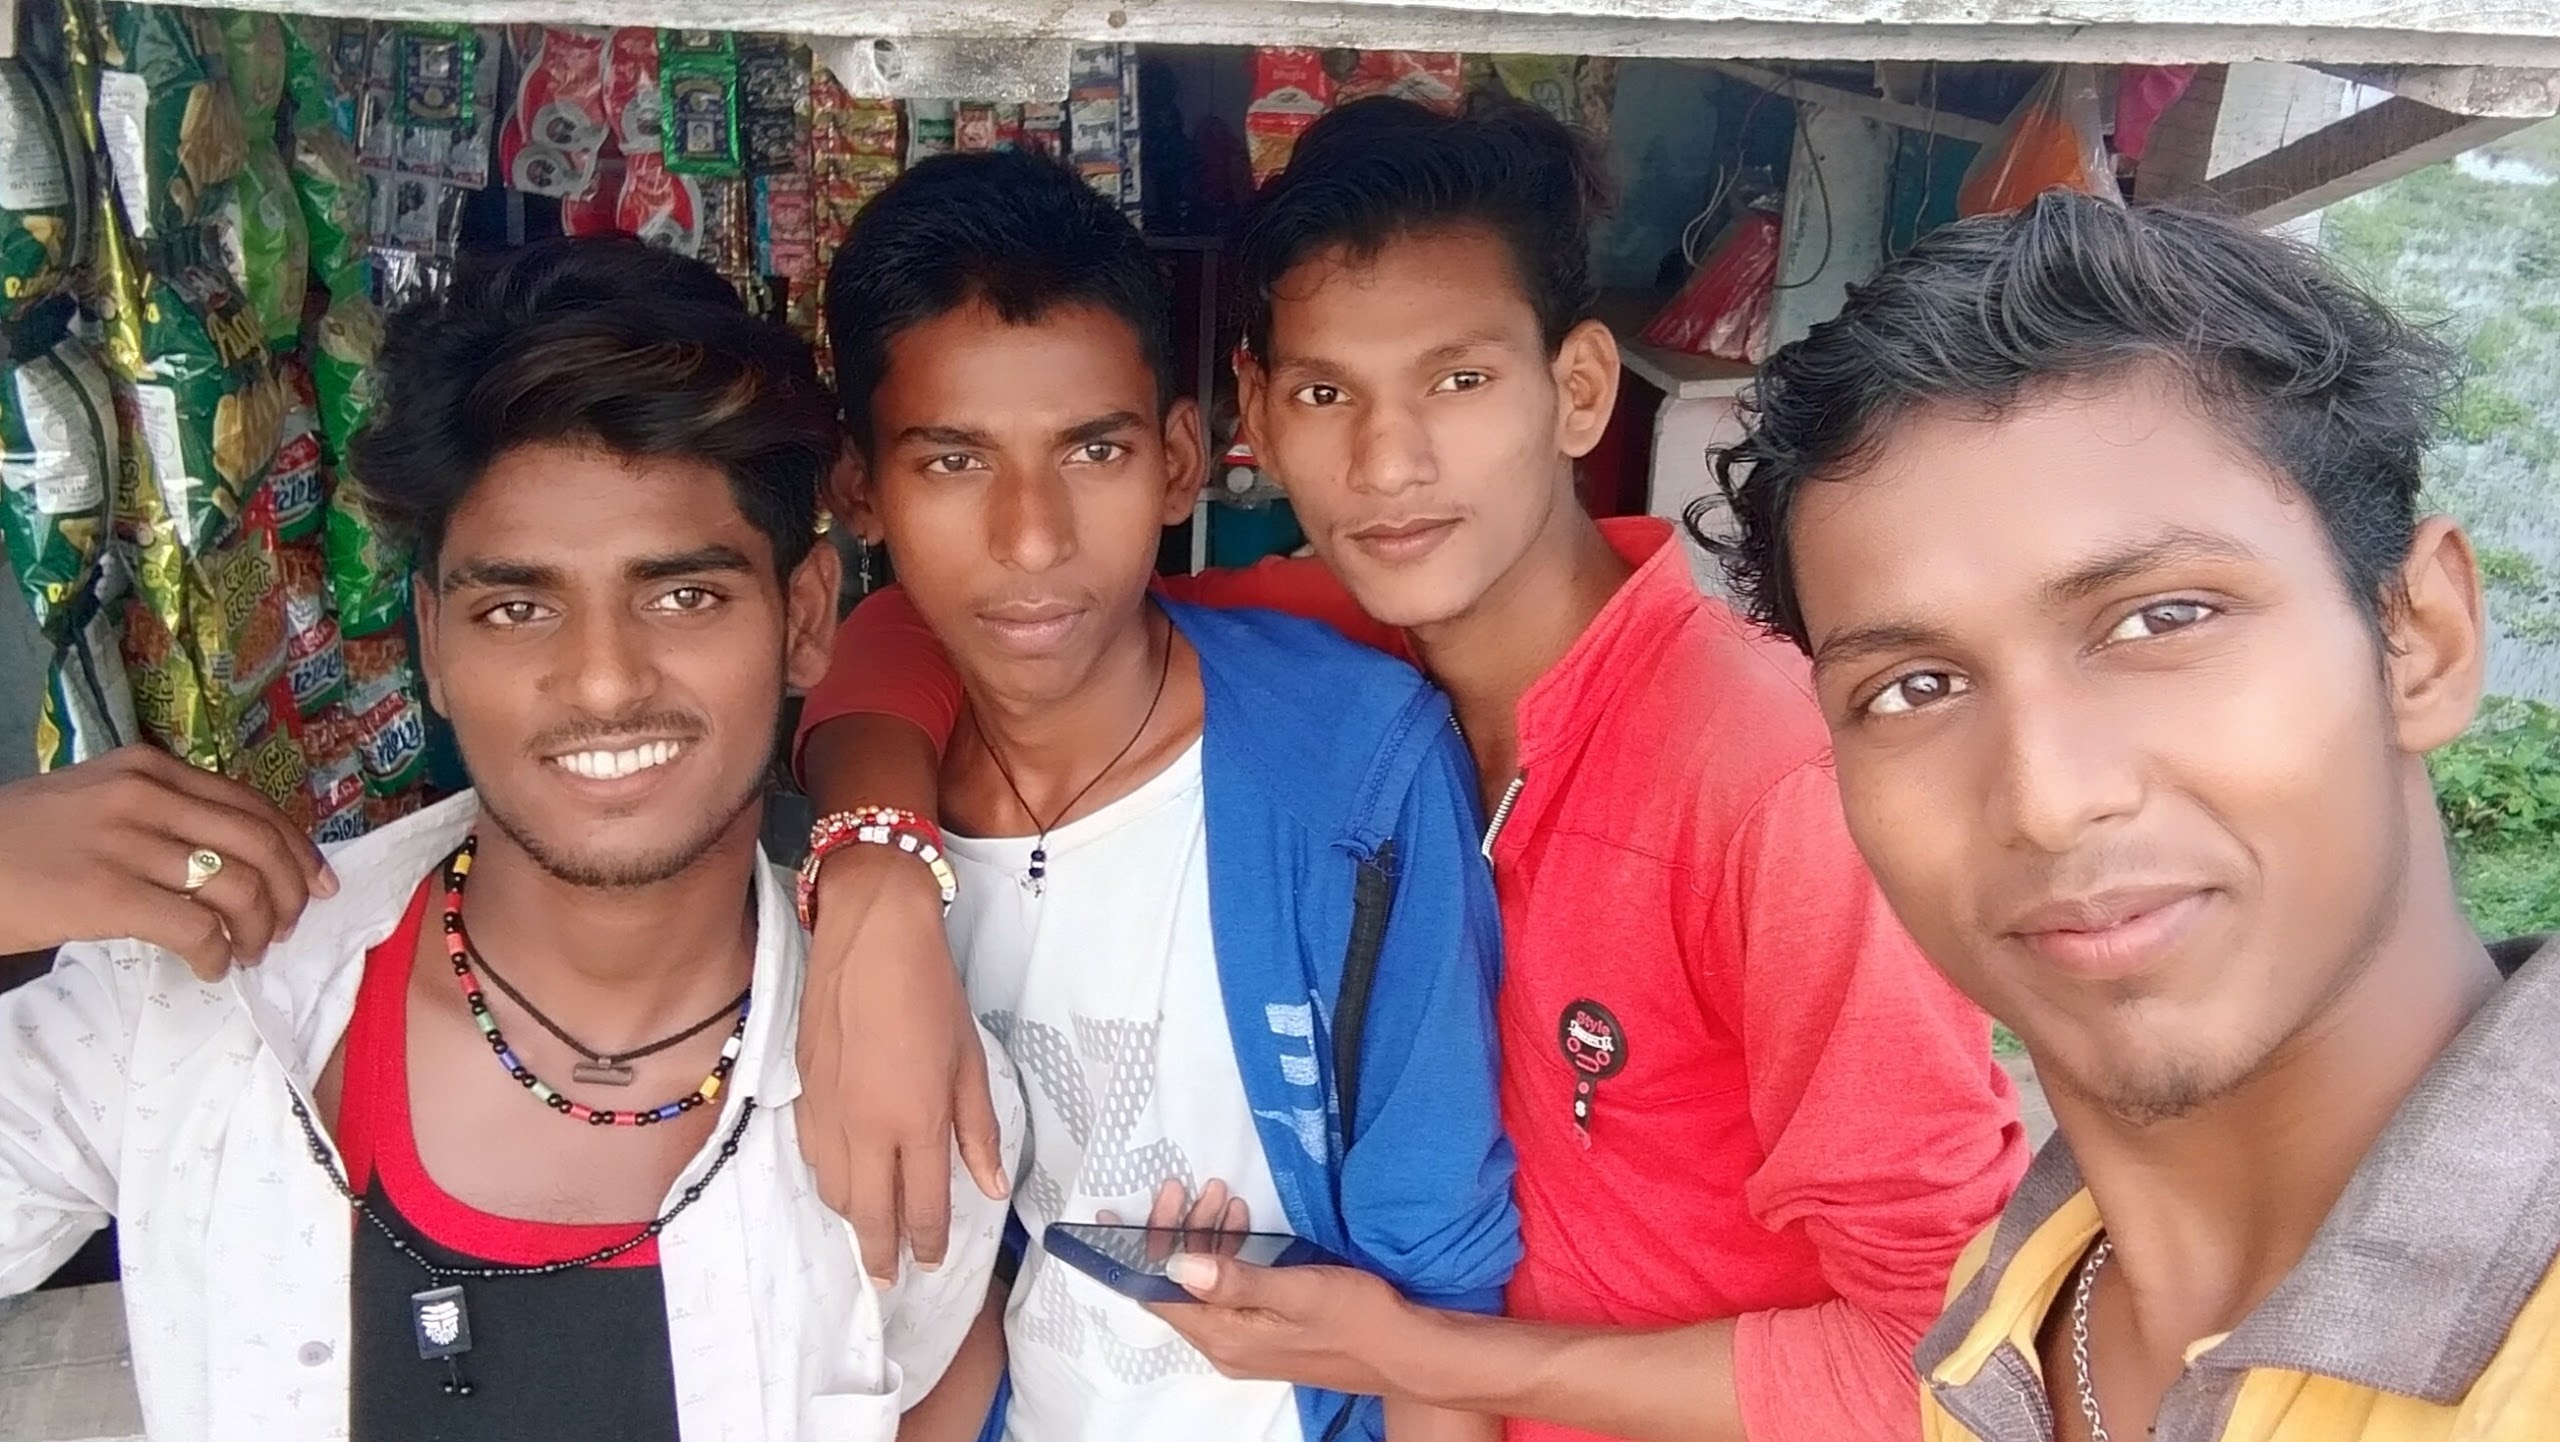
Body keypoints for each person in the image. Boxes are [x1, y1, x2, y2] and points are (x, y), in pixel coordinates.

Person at [793, 98, 2024, 1442]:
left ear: (1579, 391)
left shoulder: (1767, 783)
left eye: (1459, 380)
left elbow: (1957, 1362)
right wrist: (875, 871)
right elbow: (926, 626)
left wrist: (1435, 1355)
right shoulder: (1346, 632)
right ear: (1257, 417)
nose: (1388, 464)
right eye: (1328, 394)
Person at [0, 235, 1017, 1440]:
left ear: (803, 618)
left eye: (683, 595)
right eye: (519, 606)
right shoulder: (191, 1011)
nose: (603, 680)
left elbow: (936, 1379)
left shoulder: (922, 1090)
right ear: (433, 640)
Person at [1709, 191, 2560, 1441]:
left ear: (2418, 638)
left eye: (2163, 618)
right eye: (1912, 687)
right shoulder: (2004, 1317)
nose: (2048, 800)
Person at [810, 149, 1517, 1442]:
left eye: (1093, 449)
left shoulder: (1354, 779)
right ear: (860, 489)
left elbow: (1442, 1300)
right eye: (954, 461)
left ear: (1180, 459)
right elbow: (947, 1290)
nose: (1033, 537)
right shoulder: (853, 846)